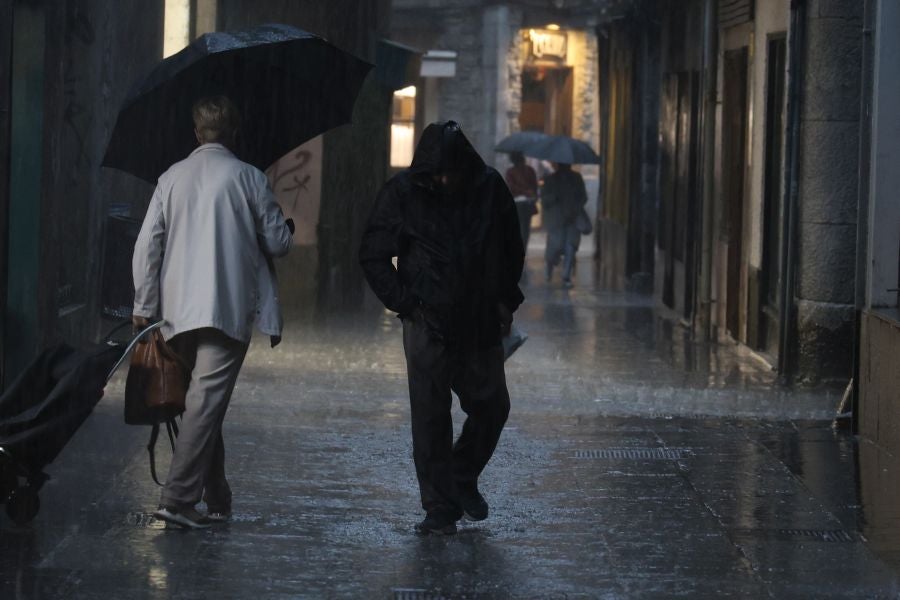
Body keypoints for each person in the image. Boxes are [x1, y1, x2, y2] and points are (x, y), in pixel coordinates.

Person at [132, 95, 293, 529]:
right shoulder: (249, 178)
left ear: (196, 132)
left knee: (202, 403)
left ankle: (216, 492)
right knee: (206, 403)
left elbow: (147, 244)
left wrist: (143, 306)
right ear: (234, 132)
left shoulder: (171, 177)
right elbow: (279, 243)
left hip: (175, 312)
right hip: (226, 307)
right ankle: (178, 498)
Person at [359, 121, 525, 535]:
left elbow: (509, 247)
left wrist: (505, 300)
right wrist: (405, 303)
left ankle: (461, 476)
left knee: (492, 406)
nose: (446, 180)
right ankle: (439, 506)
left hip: (479, 320)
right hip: (426, 321)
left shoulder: (488, 188)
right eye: (439, 174)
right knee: (430, 418)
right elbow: (374, 254)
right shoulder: (403, 193)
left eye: (452, 172)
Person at [541, 162, 587, 288]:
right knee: (554, 248)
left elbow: (583, 197)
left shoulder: (577, 178)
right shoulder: (550, 180)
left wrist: (575, 206)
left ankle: (566, 276)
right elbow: (544, 199)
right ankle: (549, 268)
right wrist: (554, 197)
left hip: (572, 219)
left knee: (570, 247)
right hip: (556, 221)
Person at [504, 151, 539, 249]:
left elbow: (510, 187)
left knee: (517, 226)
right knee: (525, 227)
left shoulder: (510, 171)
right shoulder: (530, 170)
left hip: (516, 203)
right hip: (528, 202)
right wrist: (530, 193)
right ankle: (523, 247)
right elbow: (534, 187)